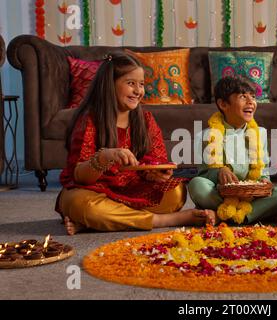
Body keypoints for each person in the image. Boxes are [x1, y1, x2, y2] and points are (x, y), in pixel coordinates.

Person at [55, 53, 215, 235]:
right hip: (93, 191)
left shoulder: (145, 119)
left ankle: (96, 223)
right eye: (131, 83)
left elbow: (155, 160)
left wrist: (155, 174)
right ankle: (162, 220)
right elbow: (80, 177)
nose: (138, 91)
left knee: (177, 193)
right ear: (110, 85)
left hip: (132, 190)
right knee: (79, 204)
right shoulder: (90, 120)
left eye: (141, 84)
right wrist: (104, 156)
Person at [188, 76, 277, 224]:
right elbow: (203, 174)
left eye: (253, 97)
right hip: (221, 195)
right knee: (196, 184)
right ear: (223, 104)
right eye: (243, 96)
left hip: (251, 197)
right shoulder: (206, 136)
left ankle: (228, 217)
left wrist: (264, 181)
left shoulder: (259, 133)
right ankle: (253, 215)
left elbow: (263, 172)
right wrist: (219, 171)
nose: (251, 102)